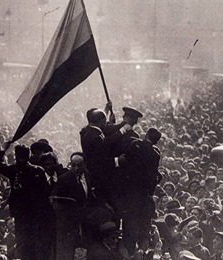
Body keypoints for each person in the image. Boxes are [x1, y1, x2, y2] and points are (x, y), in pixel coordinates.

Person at [0, 144, 50, 260]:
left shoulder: (13, 170)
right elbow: (46, 190)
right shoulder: (38, 170)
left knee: (23, 242)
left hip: (20, 213)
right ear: (29, 156)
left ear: (16, 156)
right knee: (36, 240)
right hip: (36, 213)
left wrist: (3, 150)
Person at [51, 152, 112, 260]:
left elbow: (91, 196)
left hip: (85, 220)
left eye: (79, 165)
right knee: (67, 250)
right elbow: (56, 201)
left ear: (85, 164)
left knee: (85, 249)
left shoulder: (89, 177)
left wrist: (104, 204)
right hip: (69, 223)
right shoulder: (64, 179)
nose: (76, 168)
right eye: (73, 165)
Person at [118, 127, 163, 255]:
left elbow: (125, 163)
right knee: (143, 226)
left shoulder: (136, 144)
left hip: (130, 193)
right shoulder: (155, 154)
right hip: (145, 195)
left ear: (146, 134)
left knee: (129, 225)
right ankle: (142, 252)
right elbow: (154, 175)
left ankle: (130, 252)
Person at [79, 107, 131, 208]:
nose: (106, 124)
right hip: (99, 176)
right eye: (105, 121)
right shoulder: (95, 137)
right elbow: (100, 158)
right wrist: (117, 160)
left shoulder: (88, 131)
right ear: (102, 121)